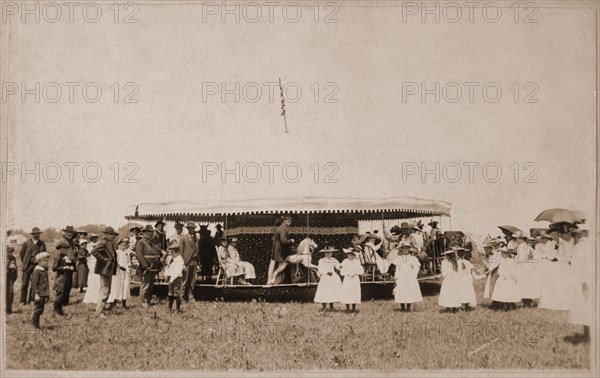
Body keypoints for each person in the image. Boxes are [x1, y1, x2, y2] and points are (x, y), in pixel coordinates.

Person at [568, 227, 593, 342]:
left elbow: (579, 267)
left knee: (586, 308)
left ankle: (588, 335)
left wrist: (583, 283)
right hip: (589, 279)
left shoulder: (580, 247)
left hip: (585, 280)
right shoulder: (590, 244)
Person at [91, 226, 119, 317]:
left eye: (113, 234)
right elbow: (94, 251)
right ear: (106, 234)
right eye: (111, 234)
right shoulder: (103, 242)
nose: (113, 236)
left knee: (106, 290)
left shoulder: (110, 243)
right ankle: (99, 312)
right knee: (105, 291)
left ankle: (100, 310)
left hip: (108, 269)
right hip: (105, 269)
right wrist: (103, 260)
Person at [135, 225, 162, 307]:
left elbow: (157, 252)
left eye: (151, 232)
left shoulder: (153, 242)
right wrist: (145, 266)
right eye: (148, 232)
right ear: (144, 232)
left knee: (151, 285)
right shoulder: (141, 242)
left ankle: (148, 300)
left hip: (153, 265)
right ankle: (143, 302)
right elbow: (139, 255)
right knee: (145, 285)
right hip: (146, 266)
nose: (150, 234)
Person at [392, 241, 423, 312]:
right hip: (401, 276)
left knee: (409, 291)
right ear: (401, 249)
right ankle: (402, 307)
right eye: (403, 248)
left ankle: (408, 307)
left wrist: (413, 274)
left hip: (410, 276)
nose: (405, 250)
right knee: (401, 290)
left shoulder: (412, 258)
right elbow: (397, 268)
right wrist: (396, 277)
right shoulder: (399, 258)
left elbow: (416, 267)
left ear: (409, 249)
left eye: (406, 248)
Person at [19, 227, 46, 306]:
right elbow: (21, 254)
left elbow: (44, 255)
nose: (36, 235)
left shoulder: (42, 244)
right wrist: (25, 262)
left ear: (39, 234)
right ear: (32, 234)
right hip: (27, 266)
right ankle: (22, 301)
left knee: (34, 283)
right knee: (24, 284)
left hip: (37, 266)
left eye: (38, 233)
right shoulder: (26, 243)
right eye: (35, 234)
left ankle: (32, 300)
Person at [172, 222, 199, 301]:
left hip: (194, 261)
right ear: (188, 229)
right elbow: (181, 252)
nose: (192, 230)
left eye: (193, 228)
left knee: (193, 280)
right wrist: (182, 263)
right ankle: (182, 298)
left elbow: (196, 249)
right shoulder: (183, 238)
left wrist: (196, 253)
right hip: (186, 261)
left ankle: (191, 296)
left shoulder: (195, 238)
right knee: (184, 280)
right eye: (191, 228)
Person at [513, 231, 539, 307]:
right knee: (527, 284)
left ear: (521, 239)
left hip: (522, 267)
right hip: (529, 267)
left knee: (522, 284)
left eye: (517, 238)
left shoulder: (520, 247)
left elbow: (521, 259)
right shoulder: (528, 246)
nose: (516, 240)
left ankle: (526, 301)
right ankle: (528, 300)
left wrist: (514, 258)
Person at [268, 215, 295, 285]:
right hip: (280, 250)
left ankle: (273, 281)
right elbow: (283, 241)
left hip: (278, 249)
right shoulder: (283, 229)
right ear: (284, 221)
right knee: (282, 266)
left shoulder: (281, 228)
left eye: (290, 222)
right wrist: (291, 241)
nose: (290, 223)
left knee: (276, 265)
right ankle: (273, 279)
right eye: (288, 221)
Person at [107, 238, 132, 309]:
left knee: (125, 285)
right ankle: (114, 302)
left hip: (126, 271)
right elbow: (114, 262)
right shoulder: (116, 252)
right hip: (118, 271)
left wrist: (129, 265)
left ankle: (124, 302)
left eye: (125, 245)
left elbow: (128, 261)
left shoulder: (127, 252)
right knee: (117, 286)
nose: (123, 247)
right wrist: (120, 267)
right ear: (118, 245)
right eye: (122, 245)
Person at [53, 240, 76, 316]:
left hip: (67, 277)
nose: (65, 250)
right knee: (60, 294)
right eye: (63, 248)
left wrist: (72, 266)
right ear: (59, 249)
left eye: (66, 249)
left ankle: (59, 309)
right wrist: (64, 268)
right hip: (61, 277)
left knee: (65, 293)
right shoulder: (58, 257)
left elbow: (73, 267)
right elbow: (54, 268)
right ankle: (55, 310)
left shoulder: (67, 258)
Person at [56, 225, 77, 305]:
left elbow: (74, 252)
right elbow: (57, 252)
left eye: (71, 233)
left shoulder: (72, 242)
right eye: (68, 232)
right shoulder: (61, 241)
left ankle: (66, 301)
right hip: (63, 263)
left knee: (69, 283)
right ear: (65, 232)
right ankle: (59, 301)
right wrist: (63, 259)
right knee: (61, 283)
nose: (69, 234)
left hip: (71, 264)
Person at [339, 248, 364, 313]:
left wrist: (356, 273)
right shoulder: (345, 261)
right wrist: (347, 273)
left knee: (354, 292)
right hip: (347, 278)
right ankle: (347, 308)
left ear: (354, 255)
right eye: (349, 254)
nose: (351, 256)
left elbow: (361, 270)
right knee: (347, 292)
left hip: (355, 278)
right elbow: (341, 270)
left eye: (352, 255)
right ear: (347, 255)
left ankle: (353, 308)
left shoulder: (357, 261)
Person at [164, 240, 185, 313]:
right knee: (170, 293)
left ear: (177, 251)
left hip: (176, 278)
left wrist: (172, 279)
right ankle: (169, 308)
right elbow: (168, 267)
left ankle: (178, 308)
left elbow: (177, 271)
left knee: (176, 293)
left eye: (172, 252)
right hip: (171, 278)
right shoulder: (172, 259)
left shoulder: (179, 260)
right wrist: (166, 274)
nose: (171, 254)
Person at [31, 252, 50, 329]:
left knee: (41, 309)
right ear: (39, 261)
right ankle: (35, 324)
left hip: (43, 293)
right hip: (39, 294)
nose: (46, 262)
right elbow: (34, 284)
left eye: (47, 260)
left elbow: (46, 283)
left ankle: (35, 323)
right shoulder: (37, 271)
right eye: (45, 261)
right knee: (38, 309)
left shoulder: (43, 270)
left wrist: (47, 294)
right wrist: (36, 293)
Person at [83, 236, 101, 304]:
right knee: (93, 279)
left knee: (97, 280)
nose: (95, 239)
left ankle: (96, 297)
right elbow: (91, 252)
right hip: (92, 262)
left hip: (96, 261)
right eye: (94, 238)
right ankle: (91, 298)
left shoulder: (96, 244)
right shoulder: (89, 246)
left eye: (96, 238)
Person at [6, 246, 18, 314]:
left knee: (10, 293)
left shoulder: (13, 258)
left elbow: (15, 268)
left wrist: (16, 275)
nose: (10, 253)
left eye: (11, 252)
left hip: (10, 278)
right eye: (9, 251)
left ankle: (9, 309)